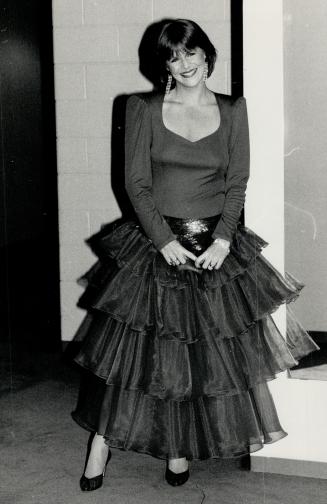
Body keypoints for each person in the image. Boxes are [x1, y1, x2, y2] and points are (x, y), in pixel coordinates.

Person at [72, 19, 318, 491]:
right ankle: (101, 444)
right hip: (155, 245)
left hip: (215, 250)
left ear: (207, 55)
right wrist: (164, 241)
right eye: (173, 56)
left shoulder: (232, 109)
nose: (183, 64)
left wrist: (225, 239)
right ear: (163, 63)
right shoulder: (142, 107)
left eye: (190, 53)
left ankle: (178, 448)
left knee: (198, 361)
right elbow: (135, 183)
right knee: (136, 359)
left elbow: (237, 180)